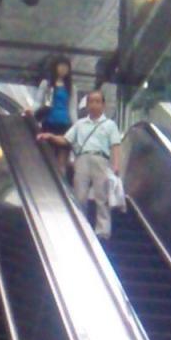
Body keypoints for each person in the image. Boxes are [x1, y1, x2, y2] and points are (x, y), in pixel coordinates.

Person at [37, 89, 122, 241]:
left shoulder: (110, 125)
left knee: (101, 197)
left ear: (103, 105)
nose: (94, 105)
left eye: (97, 102)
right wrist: (50, 136)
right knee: (79, 195)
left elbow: (115, 145)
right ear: (87, 105)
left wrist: (115, 165)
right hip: (82, 159)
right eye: (91, 102)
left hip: (101, 159)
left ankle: (103, 231)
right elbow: (66, 140)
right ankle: (81, 227)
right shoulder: (80, 124)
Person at [35, 56, 77, 175]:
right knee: (48, 157)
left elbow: (72, 109)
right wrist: (31, 112)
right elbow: (38, 102)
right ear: (55, 67)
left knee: (62, 159)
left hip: (65, 126)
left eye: (66, 67)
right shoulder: (46, 84)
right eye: (61, 66)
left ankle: (61, 180)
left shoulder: (71, 87)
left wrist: (77, 127)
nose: (63, 69)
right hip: (49, 124)